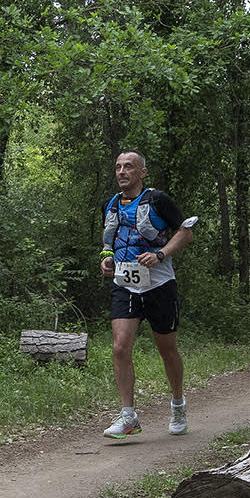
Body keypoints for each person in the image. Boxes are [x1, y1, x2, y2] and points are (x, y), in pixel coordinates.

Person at [98, 151, 197, 438]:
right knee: (119, 347)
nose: (122, 172)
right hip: (124, 281)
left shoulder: (158, 200)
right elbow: (110, 240)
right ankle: (128, 416)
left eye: (128, 167)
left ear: (142, 172)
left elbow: (185, 233)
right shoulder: (111, 204)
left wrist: (161, 254)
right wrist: (106, 259)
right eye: (118, 167)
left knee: (167, 350)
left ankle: (178, 402)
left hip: (159, 283)